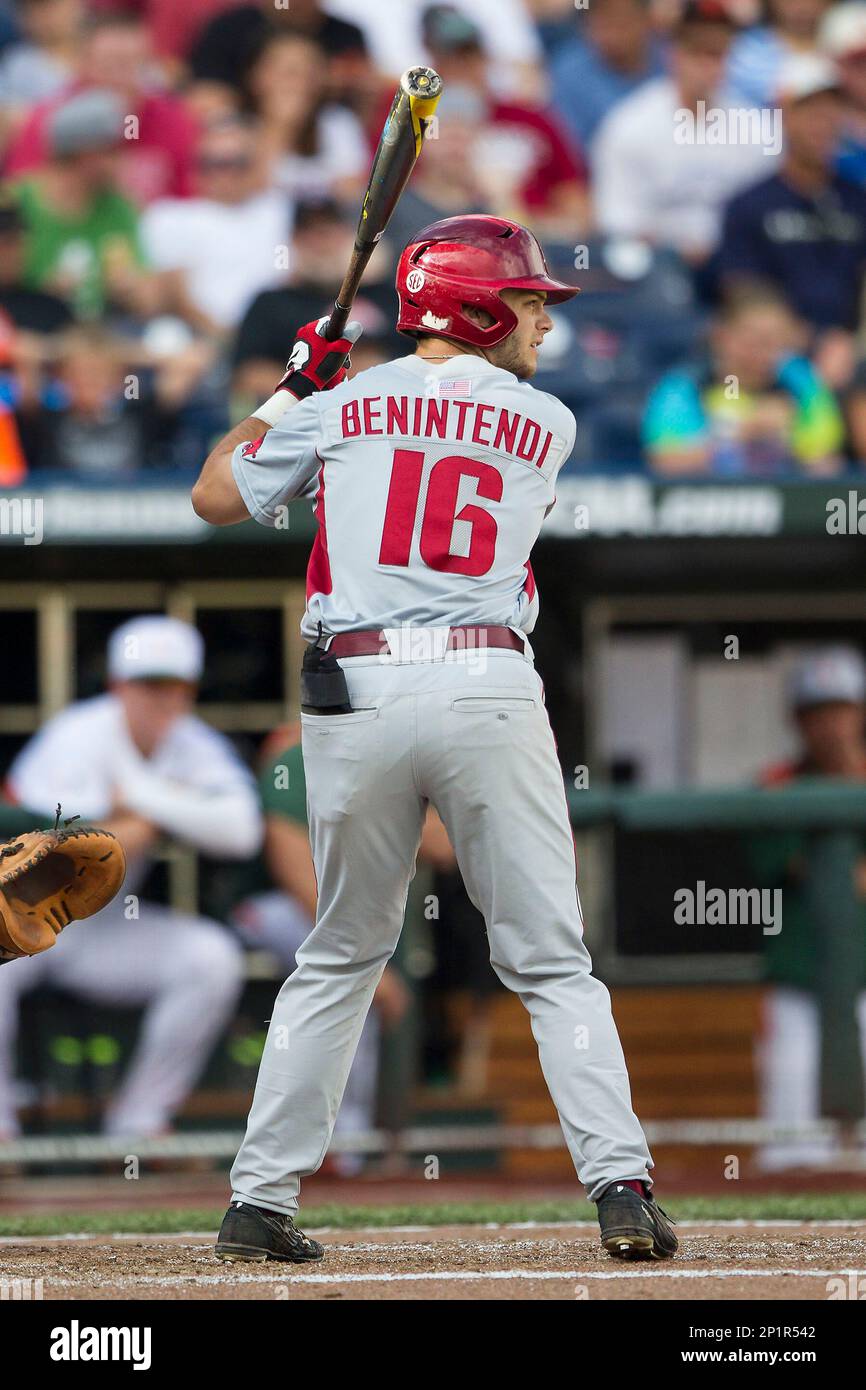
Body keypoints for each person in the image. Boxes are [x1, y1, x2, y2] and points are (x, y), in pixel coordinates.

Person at [193, 212, 678, 1265]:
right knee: (550, 960)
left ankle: (259, 1200)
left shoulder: (340, 402)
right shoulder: (545, 418)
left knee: (337, 953)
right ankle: (620, 1189)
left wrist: (295, 385)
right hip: (484, 680)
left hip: (350, 687)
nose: (540, 323)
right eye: (527, 302)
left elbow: (214, 497)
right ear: (475, 305)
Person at [0, 616, 259, 1142]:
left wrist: (142, 796)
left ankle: (139, 1124)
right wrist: (164, 813)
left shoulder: (192, 744)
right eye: (149, 686)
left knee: (210, 957)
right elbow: (66, 847)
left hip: (99, 929)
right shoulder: (79, 733)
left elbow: (241, 831)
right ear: (119, 686)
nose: (162, 701)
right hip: (15, 915)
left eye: (174, 687)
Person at [231, 723, 452, 1168]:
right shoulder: (298, 757)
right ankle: (331, 1143)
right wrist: (352, 947)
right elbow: (290, 864)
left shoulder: (390, 759)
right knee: (354, 971)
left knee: (362, 973)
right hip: (267, 908)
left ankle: (345, 1144)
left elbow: (447, 849)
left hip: (342, 913)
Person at [755, 647, 866, 1169]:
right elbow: (781, 863)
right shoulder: (776, 785)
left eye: (841, 709)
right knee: (792, 1147)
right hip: (798, 980)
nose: (831, 724)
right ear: (798, 720)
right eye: (817, 712)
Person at [718, 52, 866, 390]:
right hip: (773, 363)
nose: (822, 121)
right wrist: (814, 343)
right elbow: (744, 298)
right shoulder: (748, 205)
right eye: (809, 110)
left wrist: (852, 346)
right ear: (782, 115)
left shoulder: (858, 201)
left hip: (853, 358)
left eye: (830, 110)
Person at [592, 0, 775, 267]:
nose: (708, 66)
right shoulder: (630, 125)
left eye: (718, 53)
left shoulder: (756, 127)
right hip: (658, 265)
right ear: (673, 53)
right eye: (697, 51)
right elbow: (617, 224)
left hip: (736, 263)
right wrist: (674, 250)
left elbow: (767, 217)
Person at [3, 11, 200, 205]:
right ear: (83, 65)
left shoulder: (170, 120)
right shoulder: (51, 120)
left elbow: (192, 200)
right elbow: (22, 199)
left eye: (135, 65)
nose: (123, 78)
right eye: (111, 65)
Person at [643, 288, 845, 475]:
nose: (761, 351)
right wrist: (737, 436)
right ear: (721, 336)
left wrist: (788, 436)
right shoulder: (685, 385)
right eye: (751, 339)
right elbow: (666, 461)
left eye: (773, 340)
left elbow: (827, 464)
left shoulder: (801, 381)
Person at [10, 87, 158, 322]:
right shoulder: (14, 203)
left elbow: (149, 302)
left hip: (103, 336)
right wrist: (41, 293)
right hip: (32, 336)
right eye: (113, 151)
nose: (123, 160)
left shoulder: (119, 208)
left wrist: (129, 290)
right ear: (85, 154)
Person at [232, 197, 396, 405]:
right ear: (293, 242)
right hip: (300, 421)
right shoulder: (271, 303)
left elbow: (421, 359)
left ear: (349, 237)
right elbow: (248, 376)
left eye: (328, 232)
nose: (321, 244)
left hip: (386, 414)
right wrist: (326, 391)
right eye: (309, 234)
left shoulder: (384, 295)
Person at [141, 117, 291, 338]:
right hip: (202, 336)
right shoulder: (170, 216)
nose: (224, 174)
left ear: (257, 164)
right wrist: (228, 337)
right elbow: (176, 293)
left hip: (278, 335)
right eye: (211, 164)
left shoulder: (280, 210)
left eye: (237, 163)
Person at [549, 0, 666, 153]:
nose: (612, 34)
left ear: (646, 19)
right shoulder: (568, 71)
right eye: (601, 22)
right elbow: (569, 150)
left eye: (622, 22)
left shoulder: (672, 61)